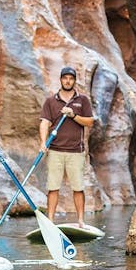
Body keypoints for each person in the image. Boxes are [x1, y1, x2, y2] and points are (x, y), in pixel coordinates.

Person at [38, 66, 96, 226]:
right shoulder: (51, 101)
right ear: (61, 80)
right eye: (65, 78)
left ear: (74, 81)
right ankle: (50, 221)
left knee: (78, 187)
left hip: (76, 152)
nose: (68, 81)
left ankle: (81, 221)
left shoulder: (82, 100)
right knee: (52, 187)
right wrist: (43, 142)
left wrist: (74, 115)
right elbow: (44, 123)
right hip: (55, 150)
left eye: (71, 78)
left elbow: (90, 122)